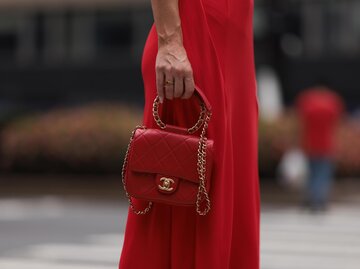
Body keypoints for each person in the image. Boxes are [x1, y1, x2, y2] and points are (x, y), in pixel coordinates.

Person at [119, 0, 260, 268]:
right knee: (190, 189)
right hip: (195, 34)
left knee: (228, 192)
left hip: (236, 47)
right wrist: (171, 41)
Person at [296, 86, 344, 211]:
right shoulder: (332, 101)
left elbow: (301, 121)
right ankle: (319, 200)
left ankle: (312, 198)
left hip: (310, 143)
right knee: (323, 175)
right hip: (327, 144)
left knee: (312, 174)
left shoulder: (307, 100)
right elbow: (336, 122)